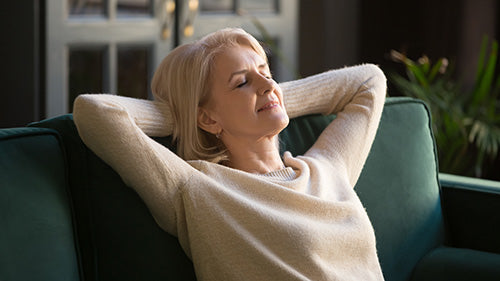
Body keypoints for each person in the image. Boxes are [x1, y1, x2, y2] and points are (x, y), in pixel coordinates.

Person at [73, 27, 387, 281]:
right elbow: (95, 111)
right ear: (208, 119)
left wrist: (271, 96)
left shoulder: (328, 168)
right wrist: (184, 115)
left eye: (266, 71)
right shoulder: (198, 190)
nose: (267, 83)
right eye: (241, 83)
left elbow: (369, 80)